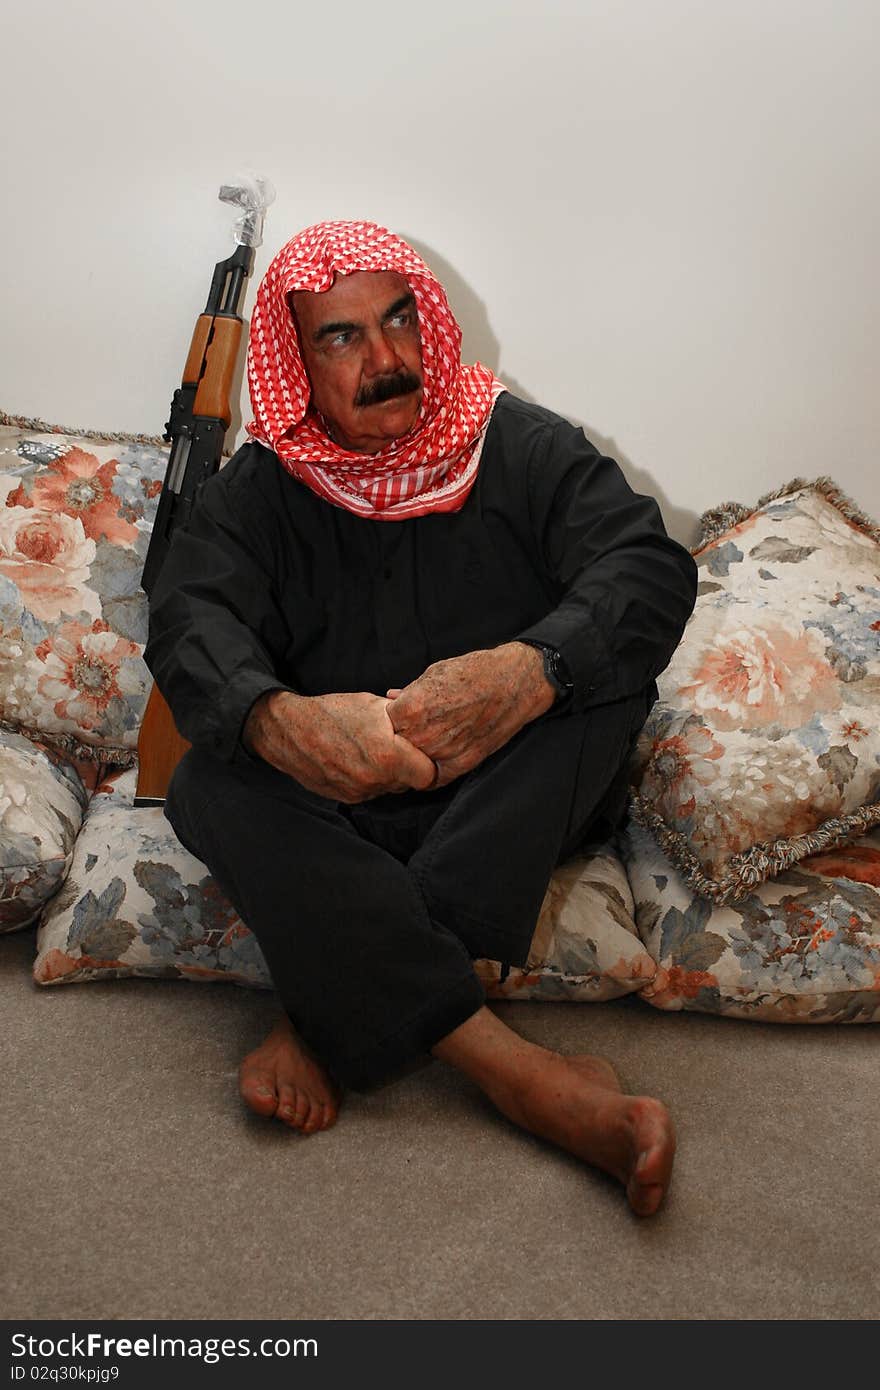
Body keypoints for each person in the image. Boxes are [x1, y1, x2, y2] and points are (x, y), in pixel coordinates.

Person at [145, 220, 697, 1217]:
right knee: (207, 772)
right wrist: (279, 723)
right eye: (342, 338)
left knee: (609, 686)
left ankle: (318, 1014)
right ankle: (517, 1074)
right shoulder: (259, 492)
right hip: (336, 807)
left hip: (496, 797)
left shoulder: (518, 444)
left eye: (398, 321)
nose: (388, 359)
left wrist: (528, 672)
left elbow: (648, 570)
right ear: (295, 363)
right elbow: (190, 621)